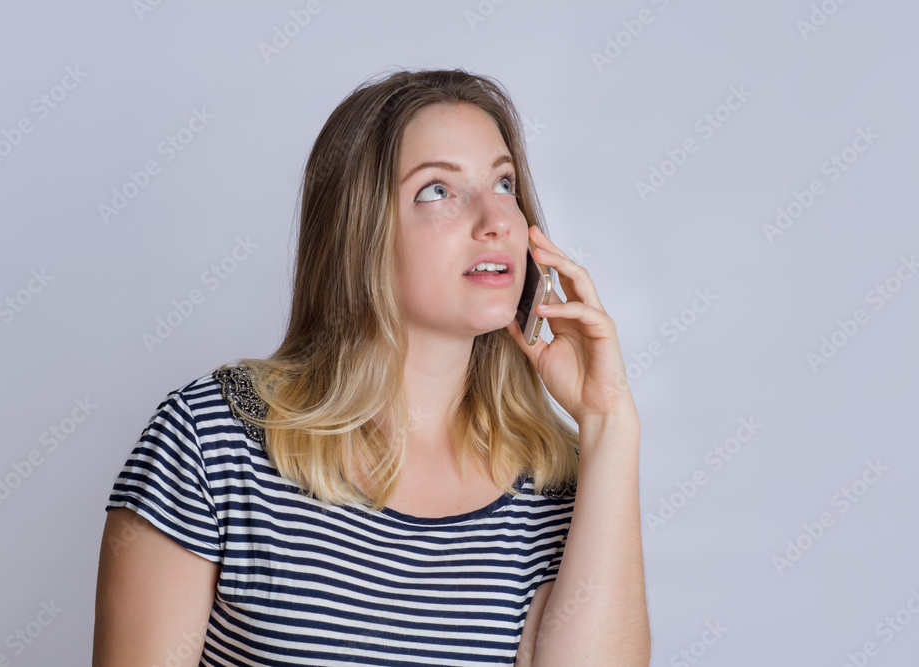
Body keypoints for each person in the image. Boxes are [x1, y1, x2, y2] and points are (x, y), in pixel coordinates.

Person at [92, 67, 649, 666]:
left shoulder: (556, 487)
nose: (496, 219)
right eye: (438, 190)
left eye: (505, 182)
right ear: (360, 233)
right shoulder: (210, 441)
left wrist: (608, 421)